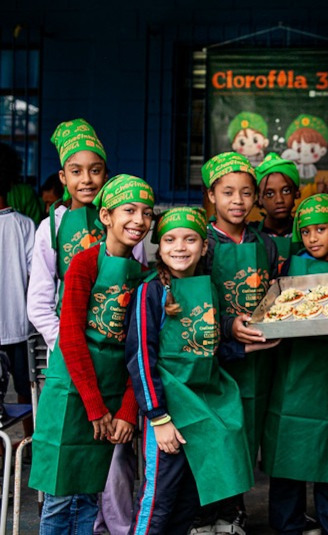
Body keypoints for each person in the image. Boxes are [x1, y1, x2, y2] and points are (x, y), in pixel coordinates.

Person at [26, 120, 144, 535]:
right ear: (62, 177)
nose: (87, 178)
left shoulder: (130, 225)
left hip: (117, 371)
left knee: (103, 482)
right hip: (72, 364)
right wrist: (75, 344)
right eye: (76, 171)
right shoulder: (52, 229)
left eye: (95, 169)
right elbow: (39, 303)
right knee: (62, 483)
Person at [126, 207, 253, 534]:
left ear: (204, 246)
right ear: (159, 246)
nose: (179, 247)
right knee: (158, 501)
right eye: (169, 239)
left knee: (188, 503)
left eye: (190, 239)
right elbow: (141, 357)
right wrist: (158, 417)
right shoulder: (150, 291)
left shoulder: (208, 288)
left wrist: (246, 346)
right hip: (168, 413)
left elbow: (206, 348)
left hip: (203, 407)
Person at [261, 193, 328, 535]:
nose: (313, 238)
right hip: (288, 380)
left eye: (321, 229)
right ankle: (286, 524)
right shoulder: (287, 268)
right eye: (305, 232)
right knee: (285, 456)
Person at [195, 151, 279, 534]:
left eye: (247, 193)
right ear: (211, 195)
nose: (238, 201)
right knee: (216, 432)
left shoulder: (267, 244)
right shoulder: (200, 244)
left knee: (244, 434)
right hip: (214, 355)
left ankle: (235, 511)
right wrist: (228, 326)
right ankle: (206, 513)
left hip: (258, 358)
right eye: (228, 192)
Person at [0, 144, 35, 429]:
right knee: (27, 391)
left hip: (19, 330)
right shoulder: (24, 226)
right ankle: (29, 447)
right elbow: (33, 277)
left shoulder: (24, 226)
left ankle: (3, 455)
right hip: (20, 327)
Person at [256, 152, 301, 272]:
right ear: (259, 198)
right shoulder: (252, 235)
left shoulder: (306, 233)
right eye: (269, 194)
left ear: (296, 193)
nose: (279, 200)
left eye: (286, 191)